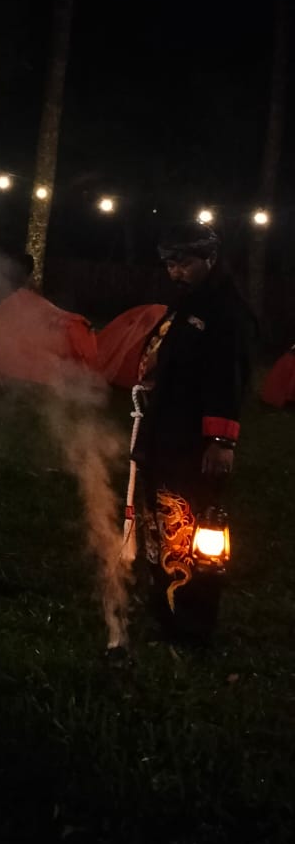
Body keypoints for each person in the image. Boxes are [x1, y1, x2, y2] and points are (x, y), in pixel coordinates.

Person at [133, 221, 255, 644]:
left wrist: (221, 441)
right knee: (160, 523)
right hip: (163, 432)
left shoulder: (227, 311)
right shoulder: (187, 304)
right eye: (169, 264)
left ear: (210, 258)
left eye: (183, 262)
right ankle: (164, 607)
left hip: (194, 443)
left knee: (192, 528)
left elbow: (229, 379)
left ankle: (191, 622)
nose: (175, 272)